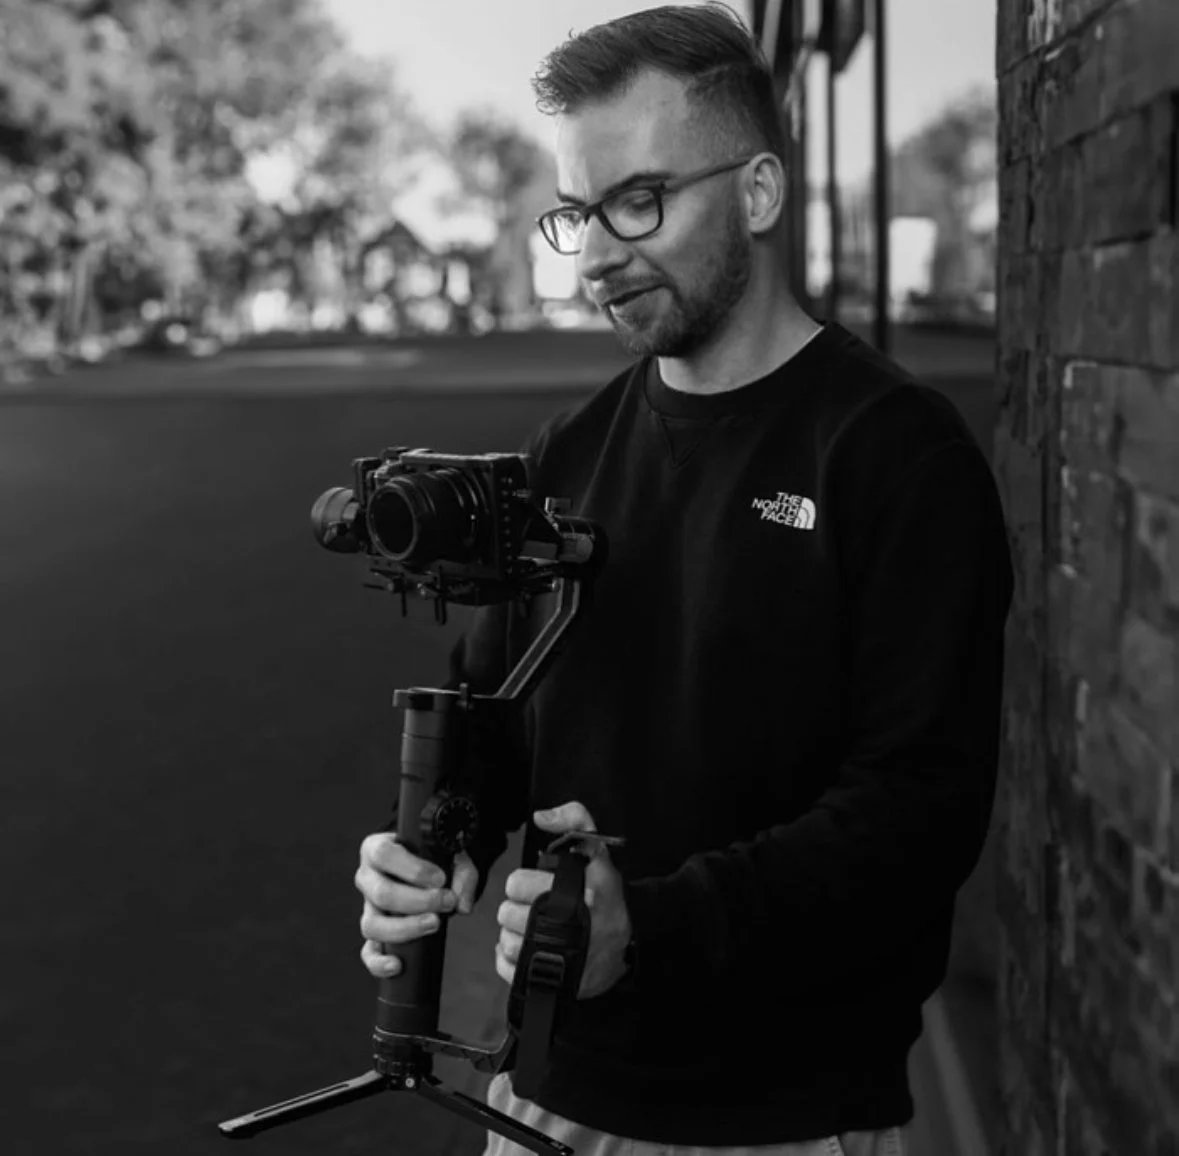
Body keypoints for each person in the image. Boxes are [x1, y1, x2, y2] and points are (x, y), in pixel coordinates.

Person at [354, 4, 1015, 1155]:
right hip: (543, 1096)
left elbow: (919, 816)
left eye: (639, 201)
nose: (600, 249)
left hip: (786, 1121)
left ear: (758, 193)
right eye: (578, 211)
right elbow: (492, 724)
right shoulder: (567, 452)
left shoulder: (897, 455)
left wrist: (649, 928)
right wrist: (426, 844)